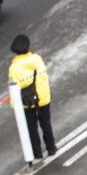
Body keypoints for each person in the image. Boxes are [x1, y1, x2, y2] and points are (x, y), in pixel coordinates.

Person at [9, 34, 57, 162]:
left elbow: (14, 88)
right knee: (46, 123)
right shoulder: (37, 59)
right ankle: (51, 148)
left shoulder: (14, 68)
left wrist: (14, 105)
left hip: (27, 102)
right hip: (43, 98)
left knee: (31, 127)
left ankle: (37, 153)